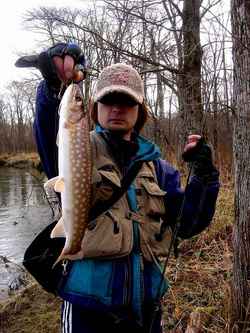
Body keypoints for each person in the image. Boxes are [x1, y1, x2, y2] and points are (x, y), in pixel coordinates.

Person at [33, 43, 220, 333]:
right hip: (88, 312)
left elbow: (188, 223)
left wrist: (204, 177)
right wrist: (53, 87)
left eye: (127, 101)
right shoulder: (79, 146)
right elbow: (49, 130)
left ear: (139, 110)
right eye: (109, 100)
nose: (118, 108)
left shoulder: (159, 168)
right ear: (95, 108)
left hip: (144, 311)